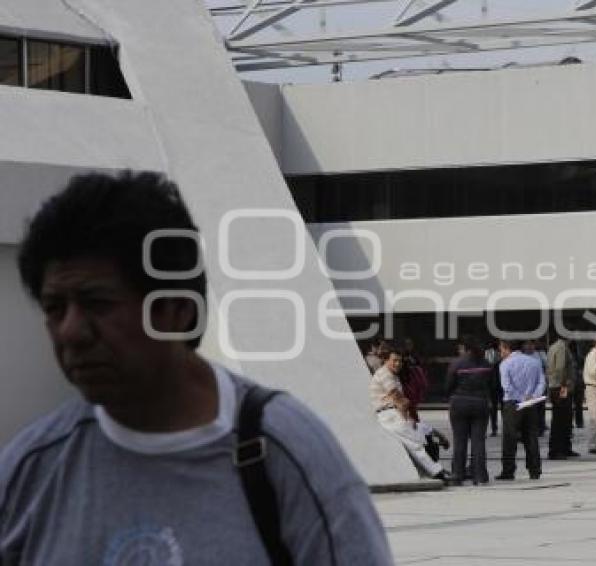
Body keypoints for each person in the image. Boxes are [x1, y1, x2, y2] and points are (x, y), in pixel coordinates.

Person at [0, 171, 392, 564]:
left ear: (177, 308)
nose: (71, 331)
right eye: (55, 308)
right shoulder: (31, 469)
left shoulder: (286, 453)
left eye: (98, 303)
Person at [371, 347, 449, 481]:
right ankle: (437, 472)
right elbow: (399, 400)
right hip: (390, 415)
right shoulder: (385, 375)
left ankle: (435, 470)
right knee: (415, 443)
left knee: (420, 436)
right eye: (394, 360)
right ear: (386, 360)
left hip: (392, 414)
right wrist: (406, 418)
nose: (398, 364)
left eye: (400, 361)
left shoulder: (391, 375)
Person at [445, 337, 496, 485]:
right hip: (481, 403)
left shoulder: (456, 363)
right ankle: (479, 476)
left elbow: (448, 385)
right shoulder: (486, 364)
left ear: (464, 348)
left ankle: (457, 475)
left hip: (459, 403)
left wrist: (451, 397)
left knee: (460, 441)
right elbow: (493, 386)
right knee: (478, 441)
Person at [495, 340, 547, 481]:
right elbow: (542, 382)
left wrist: (520, 398)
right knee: (531, 437)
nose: (500, 353)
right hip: (530, 403)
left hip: (513, 403)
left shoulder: (505, 364)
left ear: (507, 349)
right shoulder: (534, 362)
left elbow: (506, 386)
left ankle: (508, 470)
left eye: (501, 350)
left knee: (509, 438)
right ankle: (535, 470)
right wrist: (533, 396)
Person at [546, 334, 579, 460]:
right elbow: (559, 368)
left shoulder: (557, 346)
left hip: (559, 386)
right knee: (560, 420)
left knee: (565, 419)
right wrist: (563, 386)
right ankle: (556, 450)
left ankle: (565, 447)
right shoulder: (561, 347)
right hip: (560, 387)